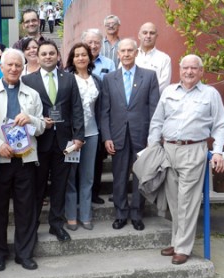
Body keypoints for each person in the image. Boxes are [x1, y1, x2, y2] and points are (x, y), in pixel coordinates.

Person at [148, 54, 224, 265]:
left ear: (201, 72)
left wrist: (218, 151)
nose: (189, 72)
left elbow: (220, 125)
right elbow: (157, 121)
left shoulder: (211, 94)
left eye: (194, 68)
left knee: (188, 201)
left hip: (194, 150)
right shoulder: (168, 91)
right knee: (174, 201)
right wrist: (153, 146)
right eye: (186, 68)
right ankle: (177, 242)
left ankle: (183, 248)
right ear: (180, 70)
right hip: (168, 150)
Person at [0, 48, 45, 272]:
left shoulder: (32, 95)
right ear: (1, 67)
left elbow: (40, 128)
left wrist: (30, 119)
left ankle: (24, 253)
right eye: (9, 65)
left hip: (26, 159)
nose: (13, 69)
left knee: (25, 208)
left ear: (23, 68)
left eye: (17, 65)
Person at [22, 40, 85, 242]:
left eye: (51, 53)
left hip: (64, 142)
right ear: (37, 57)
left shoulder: (69, 79)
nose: (48, 56)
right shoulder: (27, 80)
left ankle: (56, 224)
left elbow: (77, 108)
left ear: (58, 56)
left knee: (60, 185)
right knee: (37, 186)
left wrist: (79, 136)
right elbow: (24, 111)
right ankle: (32, 225)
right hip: (39, 141)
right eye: (44, 54)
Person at [101, 38, 160, 231]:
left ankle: (136, 214)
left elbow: (154, 110)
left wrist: (153, 137)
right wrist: (107, 137)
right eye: (122, 51)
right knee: (119, 176)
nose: (126, 54)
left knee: (140, 176)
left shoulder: (149, 76)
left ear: (136, 53)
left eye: (130, 51)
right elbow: (105, 111)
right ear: (117, 54)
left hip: (141, 135)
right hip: (117, 136)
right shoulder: (110, 78)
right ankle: (120, 213)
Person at [64, 43, 101, 231]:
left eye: (84, 54)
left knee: (88, 177)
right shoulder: (68, 80)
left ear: (89, 57)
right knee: (70, 176)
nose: (80, 58)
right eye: (77, 55)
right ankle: (71, 215)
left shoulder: (96, 80)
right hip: (72, 136)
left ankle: (85, 214)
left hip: (92, 134)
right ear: (72, 59)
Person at [81, 28, 115, 204]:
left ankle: (94, 193)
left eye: (97, 42)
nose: (93, 45)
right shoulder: (76, 62)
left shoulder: (109, 63)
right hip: (81, 121)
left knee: (98, 159)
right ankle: (81, 193)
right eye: (90, 42)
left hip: (101, 117)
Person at [136, 22, 172, 94]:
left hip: (154, 102)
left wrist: (146, 96)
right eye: (145, 33)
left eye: (152, 33)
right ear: (139, 35)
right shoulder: (129, 55)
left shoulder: (164, 58)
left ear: (156, 36)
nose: (148, 36)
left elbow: (164, 84)